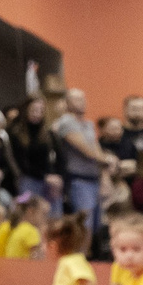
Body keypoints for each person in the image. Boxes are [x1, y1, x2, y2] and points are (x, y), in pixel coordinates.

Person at [50, 89, 118, 228]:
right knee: (84, 225)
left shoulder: (88, 124)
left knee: (95, 226)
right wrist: (108, 159)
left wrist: (105, 169)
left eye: (83, 99)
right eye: (77, 99)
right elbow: (87, 150)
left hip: (94, 178)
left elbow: (96, 148)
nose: (82, 102)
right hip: (79, 181)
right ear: (67, 103)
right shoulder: (66, 122)